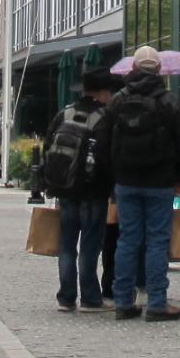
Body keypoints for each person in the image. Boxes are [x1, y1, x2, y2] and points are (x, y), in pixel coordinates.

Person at [105, 46, 180, 322]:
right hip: (160, 182)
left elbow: (105, 140)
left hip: (126, 181)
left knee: (127, 240)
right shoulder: (169, 102)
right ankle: (157, 302)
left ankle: (122, 301)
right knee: (157, 241)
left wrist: (112, 179)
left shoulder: (118, 100)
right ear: (158, 70)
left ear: (133, 68)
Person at [44, 69, 119, 312]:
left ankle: (66, 298)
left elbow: (47, 147)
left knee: (66, 245)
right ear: (103, 93)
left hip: (65, 190)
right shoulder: (104, 118)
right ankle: (90, 298)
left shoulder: (64, 113)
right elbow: (110, 157)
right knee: (89, 246)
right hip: (93, 191)